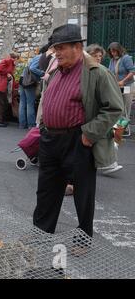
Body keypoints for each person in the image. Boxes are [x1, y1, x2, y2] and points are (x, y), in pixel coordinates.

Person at [34, 24, 124, 237]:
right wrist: (44, 127)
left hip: (77, 139)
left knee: (82, 194)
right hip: (50, 139)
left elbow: (113, 108)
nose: (56, 53)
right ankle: (41, 232)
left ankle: (83, 237)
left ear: (77, 47)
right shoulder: (56, 71)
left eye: (61, 48)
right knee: (46, 190)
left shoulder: (97, 72)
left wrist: (89, 134)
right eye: (55, 48)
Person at [86, 44, 123, 175]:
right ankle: (108, 162)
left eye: (100, 56)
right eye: (95, 56)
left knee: (109, 132)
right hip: (96, 111)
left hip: (105, 109)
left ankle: (109, 162)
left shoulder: (102, 71)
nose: (98, 58)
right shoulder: (90, 71)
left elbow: (113, 106)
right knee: (103, 135)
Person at [107, 42, 134, 136]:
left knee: (125, 107)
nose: (113, 53)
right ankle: (119, 128)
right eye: (111, 51)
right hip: (117, 86)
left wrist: (123, 81)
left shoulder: (126, 58)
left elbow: (132, 71)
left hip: (126, 86)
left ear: (119, 50)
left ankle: (121, 129)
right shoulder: (112, 60)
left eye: (115, 51)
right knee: (118, 106)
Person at [0, 52, 20, 127]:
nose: (18, 62)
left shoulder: (10, 63)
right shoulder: (8, 61)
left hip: (1, 86)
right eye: (18, 60)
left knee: (2, 104)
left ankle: (0, 120)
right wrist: (7, 73)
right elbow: (0, 68)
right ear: (15, 58)